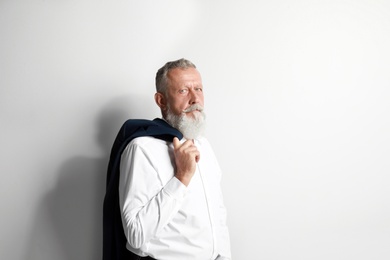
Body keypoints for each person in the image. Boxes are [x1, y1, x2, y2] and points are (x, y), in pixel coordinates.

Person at [103, 58, 231, 260]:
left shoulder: (204, 146)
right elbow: (135, 235)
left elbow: (218, 214)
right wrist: (181, 178)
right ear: (161, 100)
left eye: (198, 89)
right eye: (183, 91)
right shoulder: (141, 149)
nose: (195, 99)